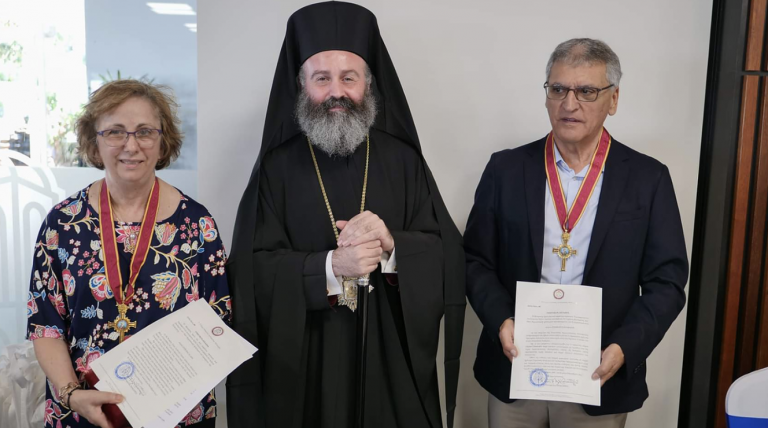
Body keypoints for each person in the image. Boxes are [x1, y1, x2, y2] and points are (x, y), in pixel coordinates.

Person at [226, 2, 465, 428]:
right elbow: (249, 272)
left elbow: (445, 256)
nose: (336, 92)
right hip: (306, 370)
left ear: (368, 84)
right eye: (322, 78)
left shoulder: (403, 162)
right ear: (301, 85)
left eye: (349, 78)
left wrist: (393, 248)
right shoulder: (277, 168)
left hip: (392, 367)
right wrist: (329, 268)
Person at [465, 38, 689, 428]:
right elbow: (475, 261)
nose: (569, 104)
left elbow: (667, 282)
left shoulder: (648, 179)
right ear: (547, 94)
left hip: (599, 375)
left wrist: (624, 348)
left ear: (613, 100)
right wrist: (502, 321)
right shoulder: (505, 170)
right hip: (516, 370)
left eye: (586, 91)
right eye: (558, 89)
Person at [27, 79, 231, 428]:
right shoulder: (61, 224)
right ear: (95, 141)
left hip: (175, 415)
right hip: (85, 412)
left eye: (144, 132)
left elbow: (217, 321)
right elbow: (46, 326)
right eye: (116, 132)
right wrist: (72, 394)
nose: (131, 146)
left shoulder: (197, 224)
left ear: (163, 140)